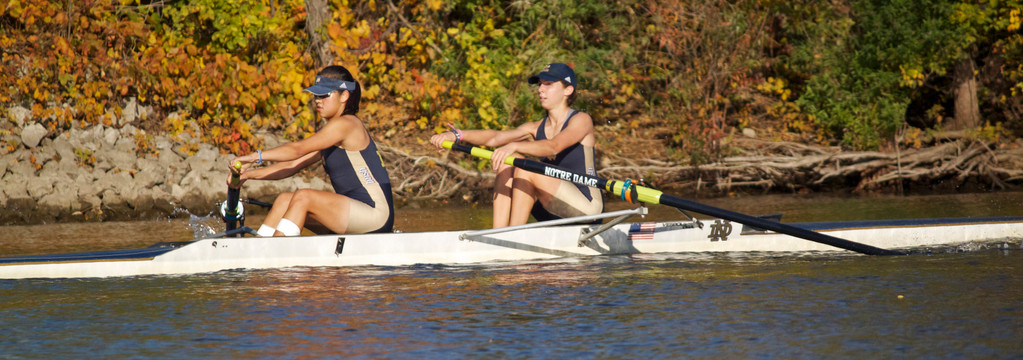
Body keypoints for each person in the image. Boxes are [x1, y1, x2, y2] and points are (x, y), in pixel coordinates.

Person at [430, 62, 603, 228]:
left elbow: (553, 146)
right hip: (551, 207)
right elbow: (495, 138)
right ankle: (498, 232)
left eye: (548, 84)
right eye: (540, 84)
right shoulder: (534, 127)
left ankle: (514, 233)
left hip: (587, 209)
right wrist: (457, 135)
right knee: (509, 160)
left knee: (524, 167)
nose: (540, 89)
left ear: (568, 90)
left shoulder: (581, 120)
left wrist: (515, 146)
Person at [228, 65, 394, 236]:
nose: (317, 100)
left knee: (304, 196)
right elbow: (292, 164)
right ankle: (259, 249)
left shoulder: (347, 124)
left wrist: (255, 157)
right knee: (285, 200)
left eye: (324, 95)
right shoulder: (333, 133)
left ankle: (273, 252)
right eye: (316, 95)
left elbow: (297, 149)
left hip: (375, 216)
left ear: (344, 95)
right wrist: (247, 175)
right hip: (352, 213)